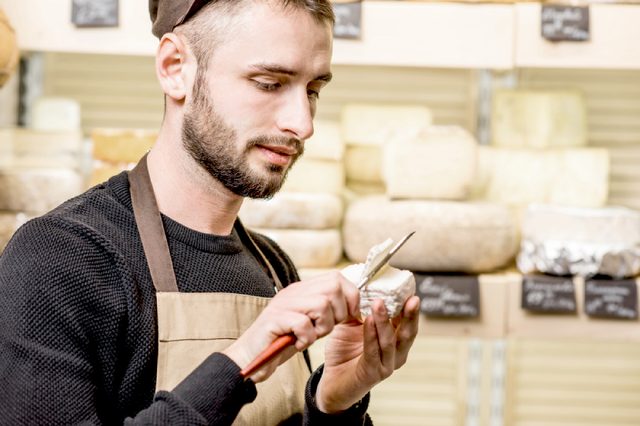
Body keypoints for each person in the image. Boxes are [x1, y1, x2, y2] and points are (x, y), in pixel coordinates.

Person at [0, 0, 420, 424]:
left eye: (313, 90)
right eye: (269, 83)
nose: (303, 123)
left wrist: (333, 407)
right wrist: (239, 362)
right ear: (175, 67)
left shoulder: (272, 266)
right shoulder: (57, 260)